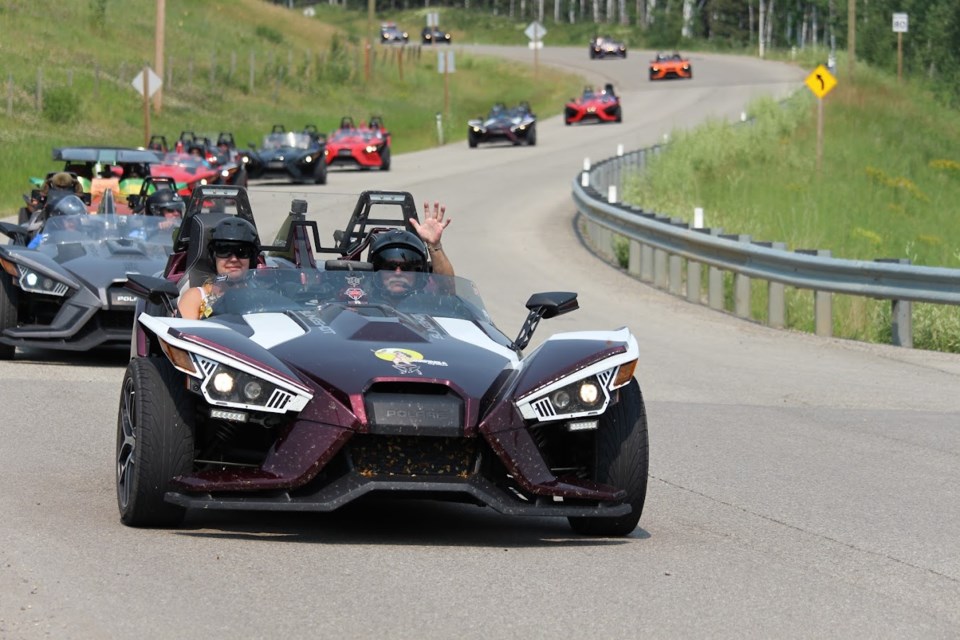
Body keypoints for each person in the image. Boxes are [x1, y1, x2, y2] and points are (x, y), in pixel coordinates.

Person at [177, 217, 260, 320]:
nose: (233, 259)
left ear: (251, 259)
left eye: (242, 251)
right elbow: (185, 333)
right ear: (213, 257)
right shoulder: (196, 297)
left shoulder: (261, 297)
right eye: (224, 250)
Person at [368, 201, 453, 300]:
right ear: (377, 271)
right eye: (390, 267)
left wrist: (434, 245)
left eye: (406, 267)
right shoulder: (362, 298)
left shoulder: (429, 300)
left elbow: (448, 290)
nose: (398, 273)